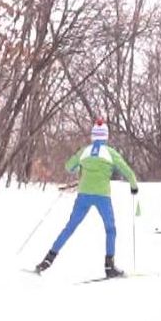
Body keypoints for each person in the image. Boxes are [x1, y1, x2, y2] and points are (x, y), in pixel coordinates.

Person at [34, 118, 139, 278]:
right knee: (110, 229)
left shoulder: (84, 151)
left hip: (83, 195)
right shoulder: (111, 153)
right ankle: (109, 266)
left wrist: (79, 166)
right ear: (106, 136)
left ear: (93, 136)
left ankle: (48, 259)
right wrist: (133, 186)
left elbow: (68, 167)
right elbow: (128, 171)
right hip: (102, 196)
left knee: (70, 227)